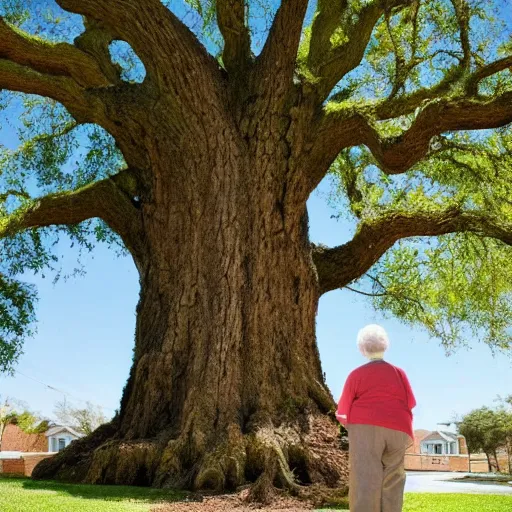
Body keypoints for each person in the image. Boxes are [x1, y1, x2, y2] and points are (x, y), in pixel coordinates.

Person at [336, 324, 416, 512]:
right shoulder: (399, 373)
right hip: (399, 428)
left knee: (365, 478)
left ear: (362, 349)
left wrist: (352, 427)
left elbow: (343, 409)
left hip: (365, 428)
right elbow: (411, 402)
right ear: (385, 345)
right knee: (394, 477)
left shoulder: (356, 375)